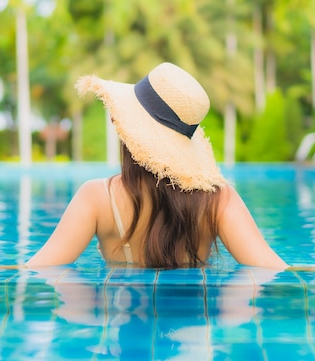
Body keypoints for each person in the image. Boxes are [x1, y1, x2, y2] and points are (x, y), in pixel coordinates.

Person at [26, 62, 288, 270]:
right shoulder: (219, 199)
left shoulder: (96, 198)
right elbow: (270, 270)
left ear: (127, 132)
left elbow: (40, 269)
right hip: (192, 327)